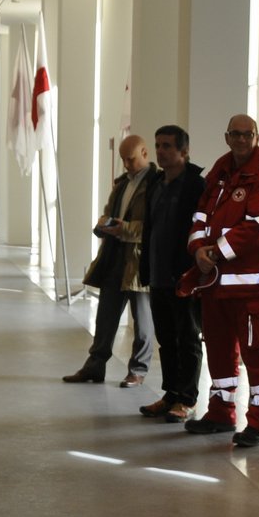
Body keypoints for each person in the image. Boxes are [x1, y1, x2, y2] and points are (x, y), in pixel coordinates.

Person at [182, 114, 259, 448]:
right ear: (227, 137)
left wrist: (215, 252)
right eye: (235, 134)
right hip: (214, 284)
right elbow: (199, 215)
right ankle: (220, 412)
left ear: (257, 136)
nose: (241, 140)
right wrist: (198, 249)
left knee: (258, 357)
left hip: (251, 288)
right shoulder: (220, 171)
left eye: (247, 134)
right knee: (220, 353)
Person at [65, 133, 159, 386]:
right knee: (105, 317)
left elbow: (156, 227)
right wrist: (104, 224)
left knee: (142, 320)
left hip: (140, 263)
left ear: (145, 153)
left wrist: (125, 229)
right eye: (123, 160)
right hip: (115, 258)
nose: (127, 165)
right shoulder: (122, 184)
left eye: (131, 159)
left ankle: (138, 370)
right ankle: (95, 366)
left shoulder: (157, 184)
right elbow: (110, 212)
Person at [137, 125, 207, 423]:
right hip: (158, 275)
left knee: (187, 338)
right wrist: (146, 269)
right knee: (166, 338)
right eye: (158, 146)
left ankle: (187, 399)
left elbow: (202, 231)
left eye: (167, 146)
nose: (161, 151)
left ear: (184, 151)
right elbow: (150, 228)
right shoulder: (156, 183)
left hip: (185, 276)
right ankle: (171, 394)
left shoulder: (196, 185)